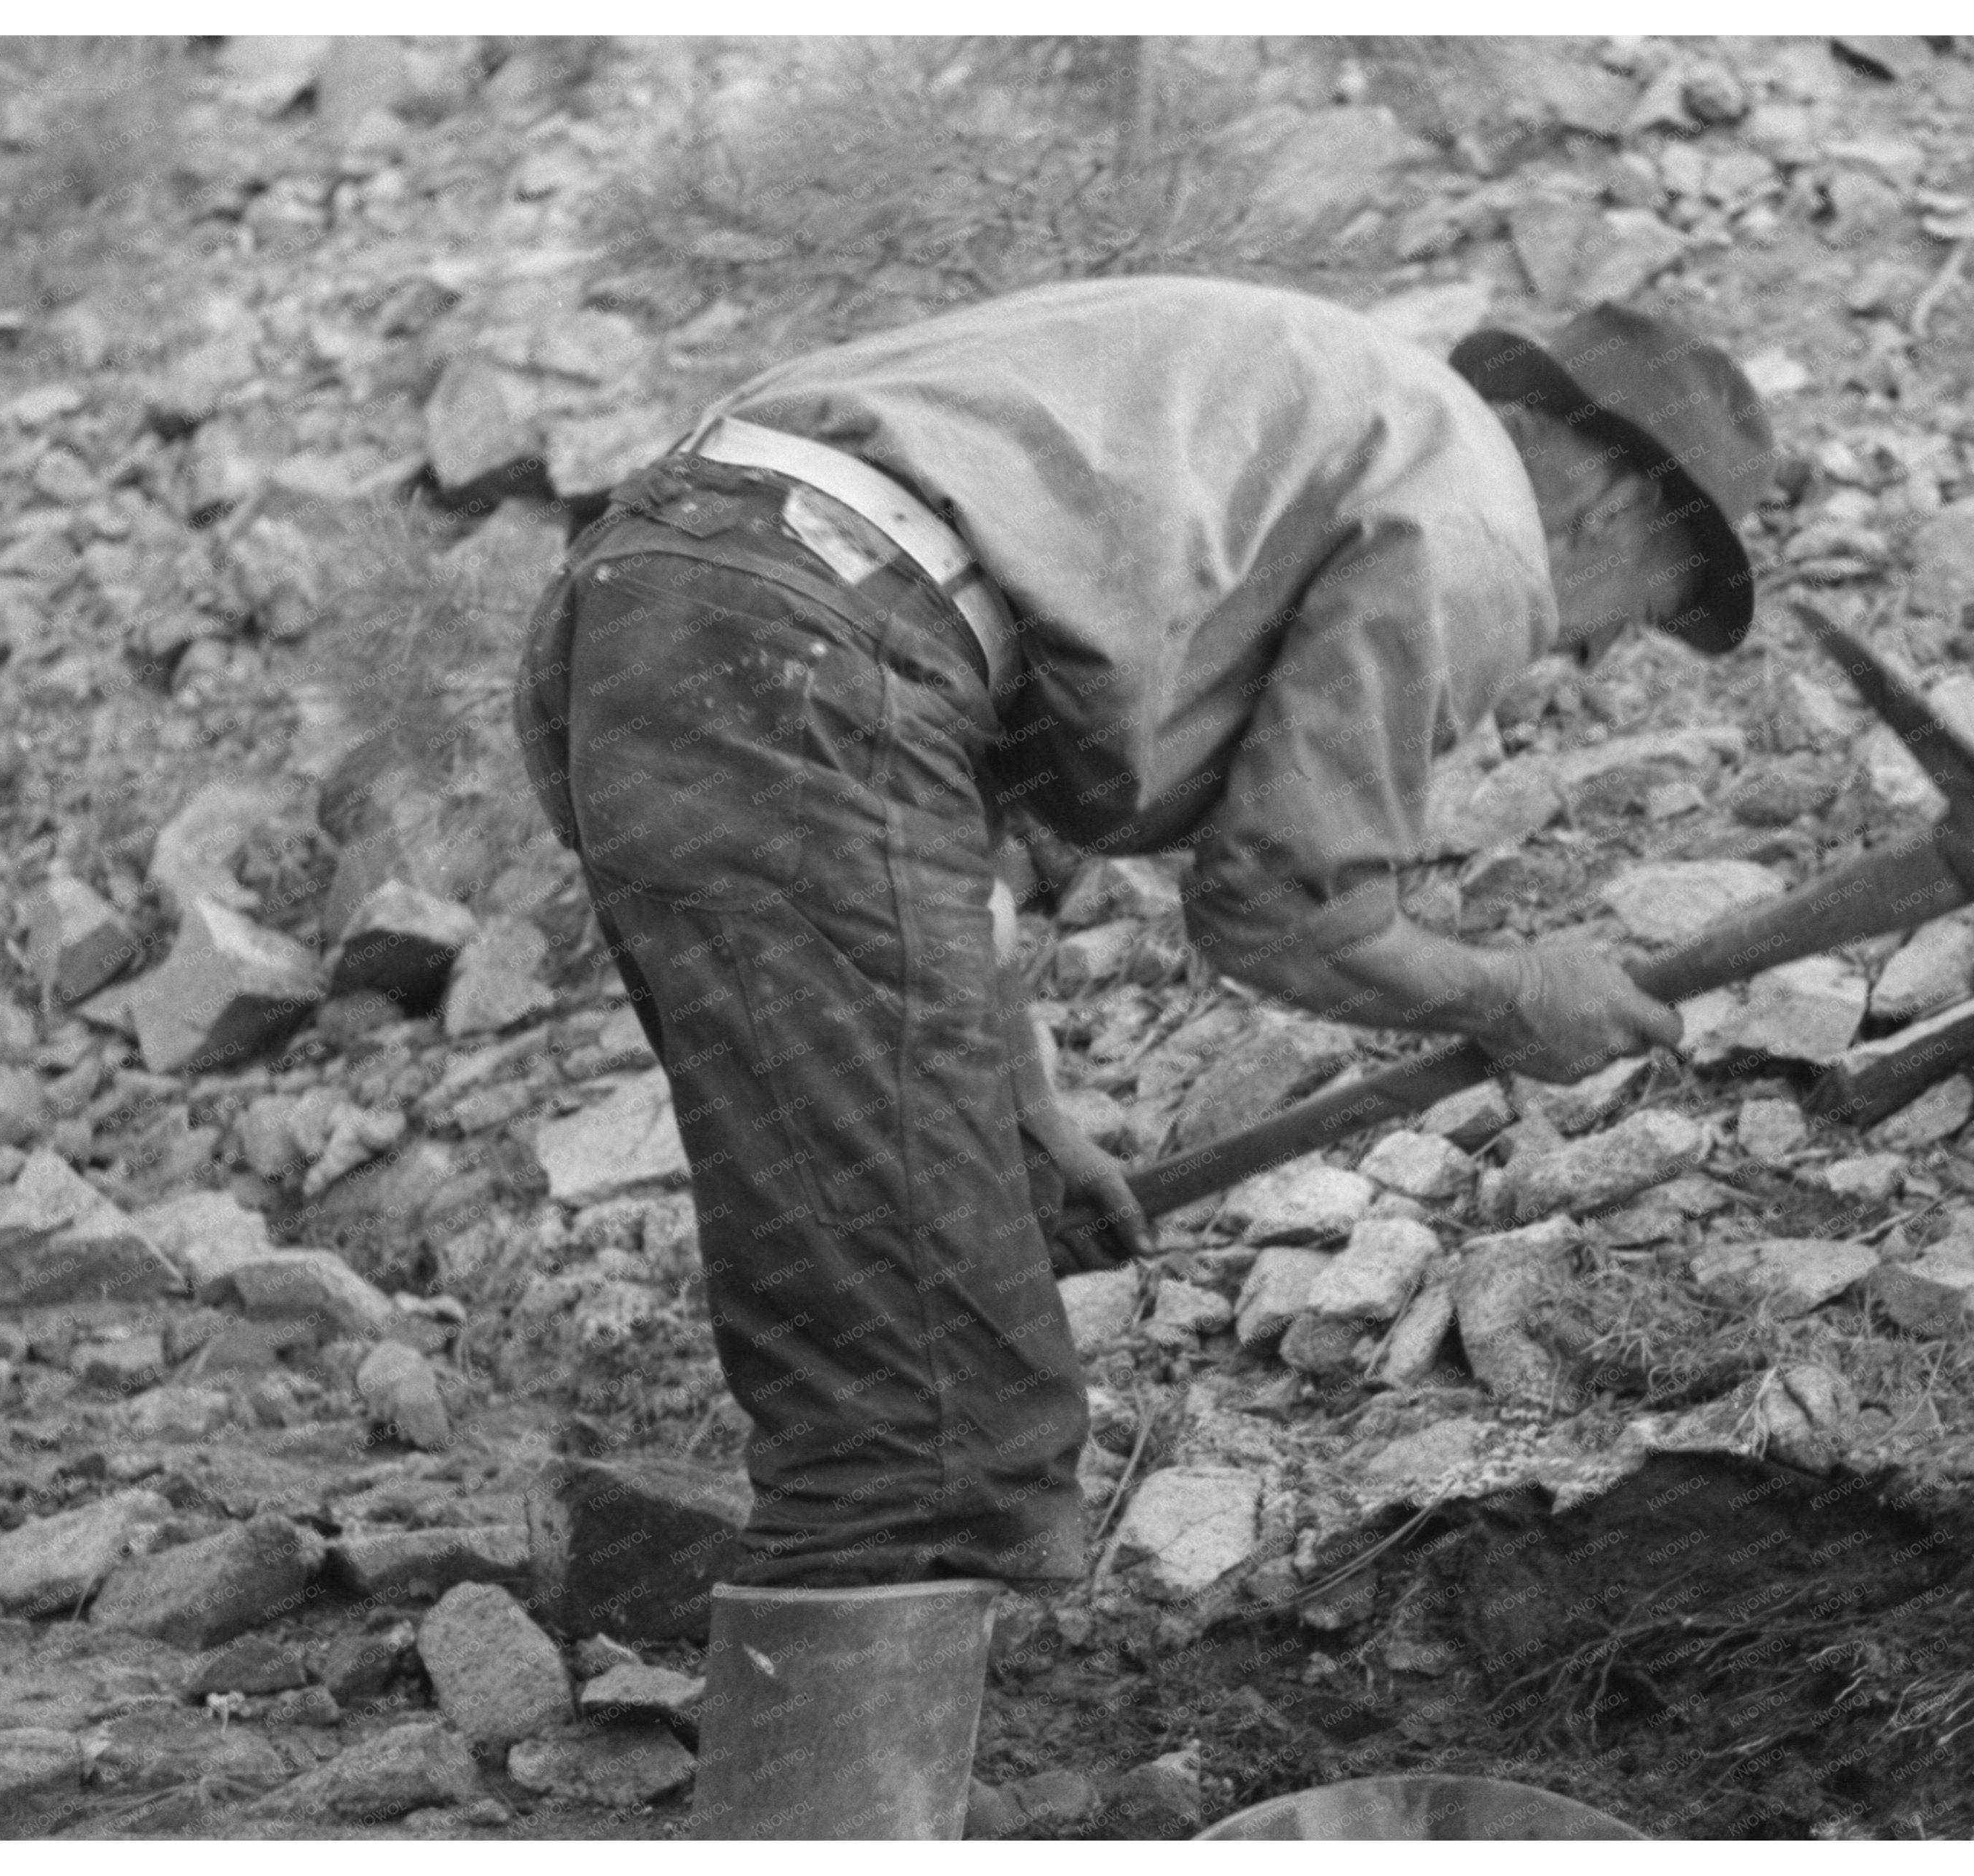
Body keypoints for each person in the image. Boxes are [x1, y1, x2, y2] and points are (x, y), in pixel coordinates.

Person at [513, 278, 1775, 1599]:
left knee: (867, 1324)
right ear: (1618, 508)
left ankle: (795, 1702)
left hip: (664, 604)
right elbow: (1285, 907)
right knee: (935, 1459)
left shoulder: (1326, 414)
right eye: (1636, 609)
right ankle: (823, 1787)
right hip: (807, 649)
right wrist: (1509, 993)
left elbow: (943, 842)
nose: (1584, 652)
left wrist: (1022, 1120)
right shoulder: (1482, 515)